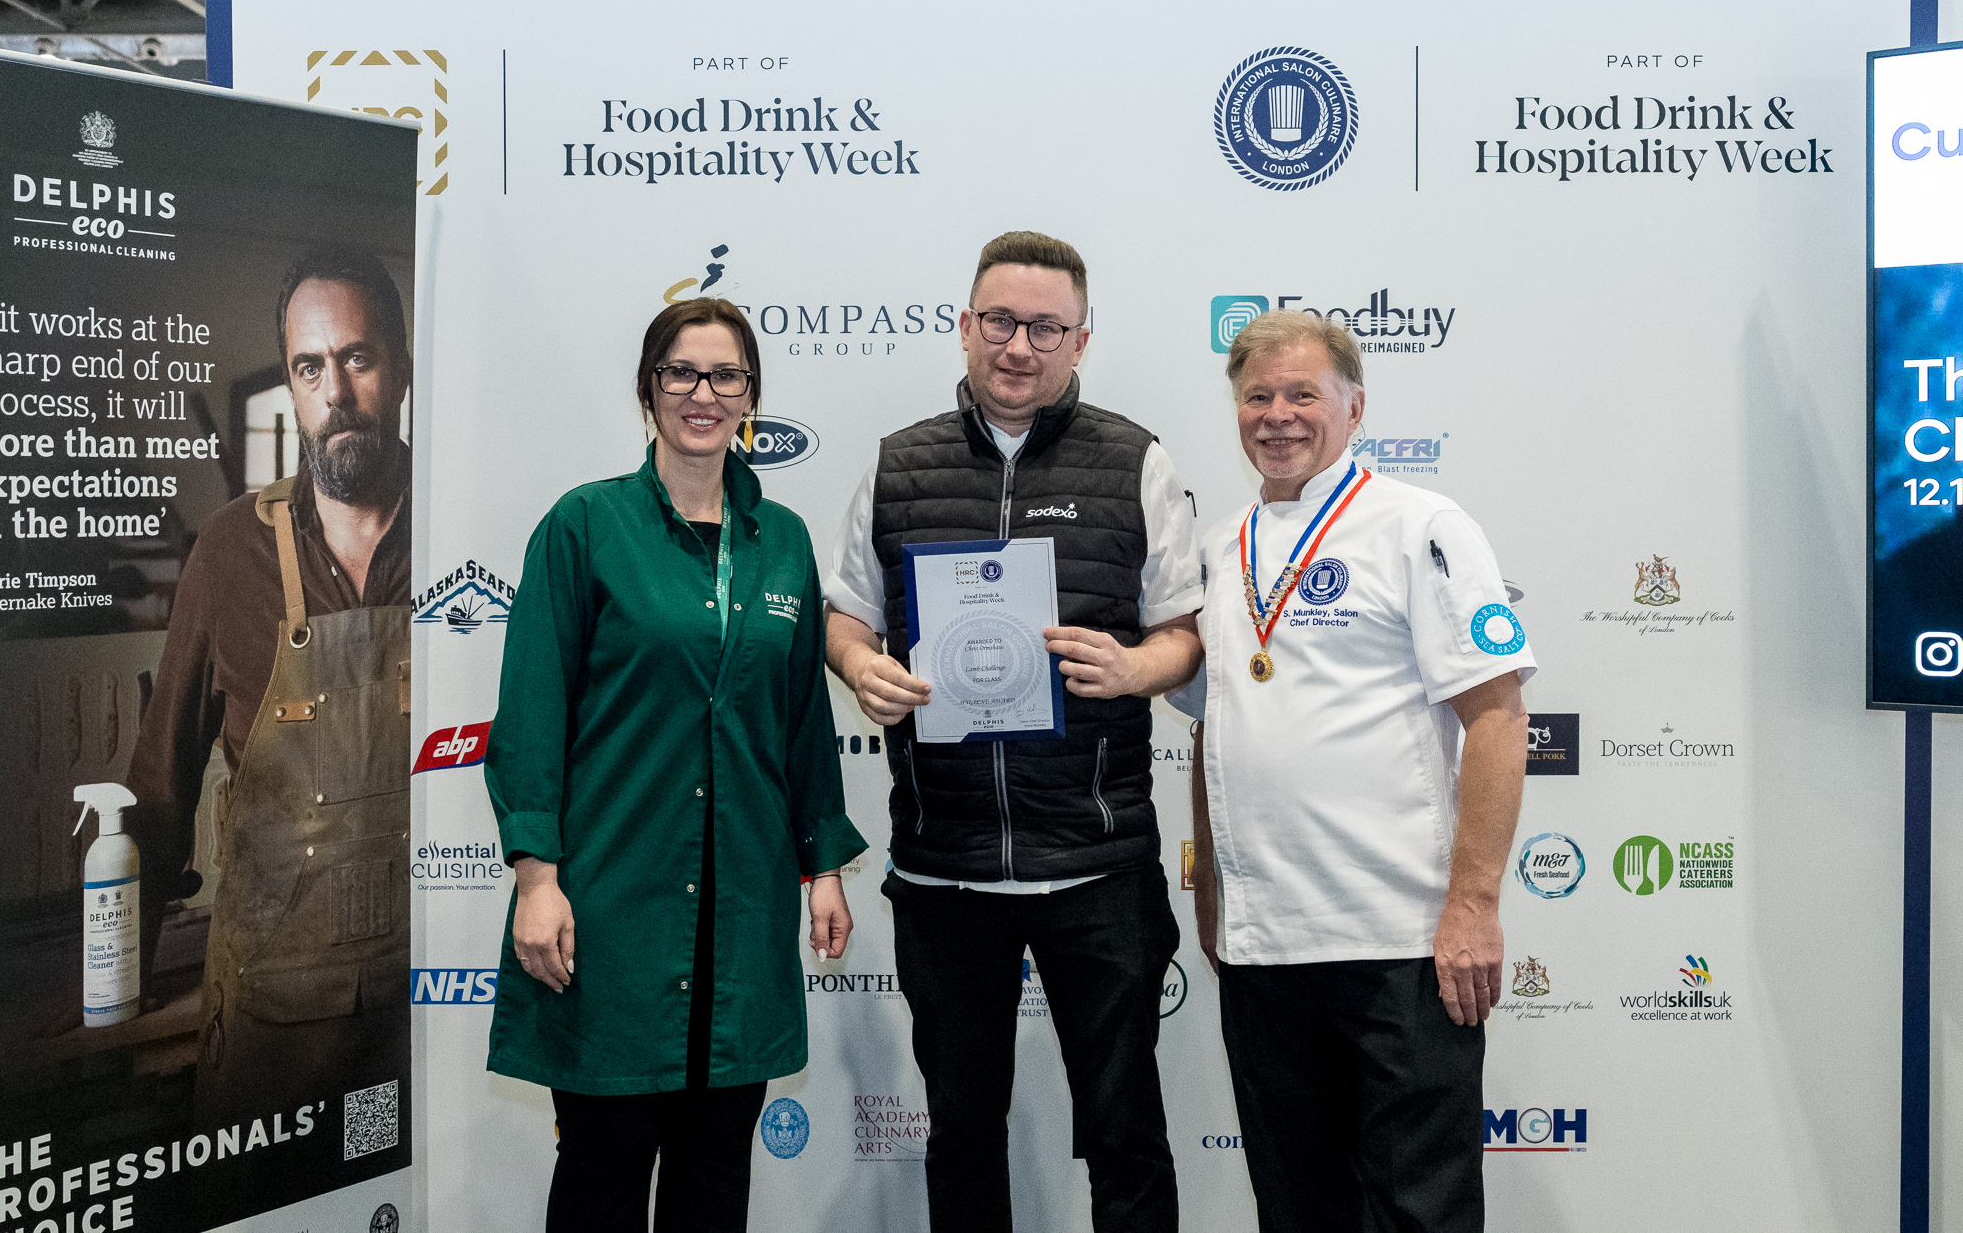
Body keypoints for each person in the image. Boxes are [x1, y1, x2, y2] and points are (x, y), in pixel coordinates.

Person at [823, 230, 1202, 1233]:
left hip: (1097, 864)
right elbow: (843, 614)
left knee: (1125, 1134)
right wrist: (858, 665)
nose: (1018, 346)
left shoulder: (1137, 462)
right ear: (964, 325)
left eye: (1044, 327)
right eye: (999, 321)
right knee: (960, 1132)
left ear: (1081, 339)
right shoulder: (896, 465)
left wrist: (1134, 667)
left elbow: (1183, 632)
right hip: (945, 869)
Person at [485, 296, 866, 1233]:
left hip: (744, 916)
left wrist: (822, 864)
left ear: (751, 396)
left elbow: (802, 720)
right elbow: (531, 712)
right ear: (649, 389)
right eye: (682, 373)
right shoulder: (584, 526)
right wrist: (536, 877)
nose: (704, 393)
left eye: (726, 375)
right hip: (613, 914)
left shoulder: (783, 542)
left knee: (714, 1185)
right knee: (602, 1181)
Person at [1179, 310, 1533, 1233]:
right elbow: (1218, 727)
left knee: (1420, 1214)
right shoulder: (1221, 546)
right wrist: (1212, 886)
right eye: (1258, 395)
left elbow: (1498, 719)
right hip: (1265, 950)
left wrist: (1474, 905)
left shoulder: (1420, 525)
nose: (1278, 415)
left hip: (1400, 945)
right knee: (1297, 1211)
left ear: (1355, 406)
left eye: (1303, 394)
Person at [126, 245, 414, 1159]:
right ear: (292, 386)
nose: (337, 392)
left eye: (358, 358)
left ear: (401, 368)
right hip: (270, 1032)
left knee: (404, 1203)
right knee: (267, 1209)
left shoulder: (467, 540)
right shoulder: (229, 556)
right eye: (310, 366)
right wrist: (114, 972)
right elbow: (159, 788)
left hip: (422, 1018)